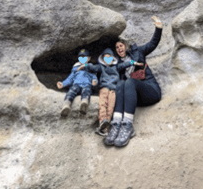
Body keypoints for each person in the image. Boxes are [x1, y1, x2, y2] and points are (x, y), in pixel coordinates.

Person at [104, 15, 163, 147]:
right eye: (117, 48)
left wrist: (158, 28)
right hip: (136, 99)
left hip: (150, 91)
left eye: (121, 46)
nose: (119, 49)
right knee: (120, 83)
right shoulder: (117, 65)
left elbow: (153, 43)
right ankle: (116, 123)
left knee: (129, 82)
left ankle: (128, 125)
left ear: (125, 46)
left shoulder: (138, 52)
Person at [78, 48, 143, 136]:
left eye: (109, 57)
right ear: (103, 59)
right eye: (105, 58)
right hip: (104, 88)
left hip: (113, 89)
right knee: (103, 103)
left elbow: (125, 64)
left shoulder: (116, 66)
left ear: (113, 58)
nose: (107, 59)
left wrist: (134, 62)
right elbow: (92, 67)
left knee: (111, 105)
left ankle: (106, 125)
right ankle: (102, 121)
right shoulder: (101, 67)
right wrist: (84, 65)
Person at [57, 49, 98, 117]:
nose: (82, 59)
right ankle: (67, 104)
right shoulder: (75, 69)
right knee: (71, 91)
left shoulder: (90, 68)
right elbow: (70, 78)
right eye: (80, 57)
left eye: (84, 57)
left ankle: (84, 103)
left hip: (86, 84)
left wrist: (94, 81)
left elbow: (94, 77)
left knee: (87, 90)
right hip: (76, 84)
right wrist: (63, 84)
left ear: (88, 58)